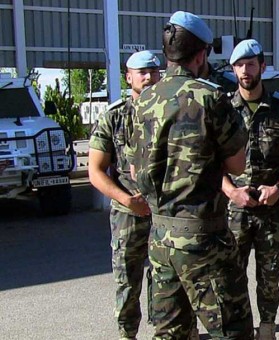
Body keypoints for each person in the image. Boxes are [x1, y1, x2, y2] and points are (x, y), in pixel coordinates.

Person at [126, 11, 253, 339]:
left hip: (160, 238)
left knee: (171, 333)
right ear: (200, 55)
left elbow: (133, 168)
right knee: (231, 330)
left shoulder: (142, 103)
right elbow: (238, 165)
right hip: (203, 238)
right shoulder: (210, 98)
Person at [221, 39, 279, 340]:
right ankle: (239, 332)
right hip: (234, 212)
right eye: (239, 65)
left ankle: (267, 331)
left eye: (250, 64)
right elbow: (212, 162)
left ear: (262, 67)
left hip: (272, 211)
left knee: (269, 278)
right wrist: (231, 192)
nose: (245, 70)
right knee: (232, 277)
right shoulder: (224, 109)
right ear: (233, 70)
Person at [88, 50, 159, 340]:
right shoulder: (114, 116)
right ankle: (127, 334)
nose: (149, 77)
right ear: (128, 77)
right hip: (128, 215)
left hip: (163, 214)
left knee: (166, 279)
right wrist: (126, 199)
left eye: (153, 71)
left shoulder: (172, 112)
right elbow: (95, 170)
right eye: (141, 72)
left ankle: (166, 330)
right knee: (127, 281)